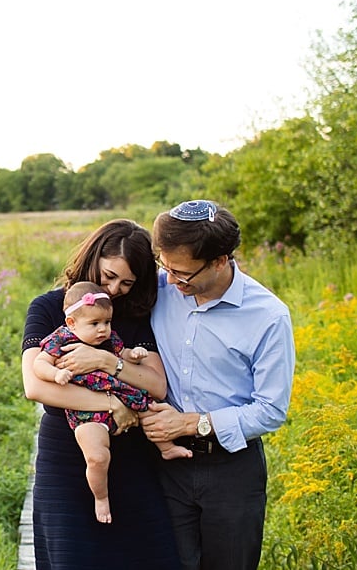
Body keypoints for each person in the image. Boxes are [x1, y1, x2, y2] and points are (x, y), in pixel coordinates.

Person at [139, 200, 296, 570]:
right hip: (165, 463)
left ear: (220, 261)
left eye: (184, 274)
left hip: (232, 471)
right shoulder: (161, 288)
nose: (172, 281)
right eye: (166, 267)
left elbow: (271, 409)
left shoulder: (269, 316)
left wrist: (192, 423)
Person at [22, 219, 181, 570]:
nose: (115, 288)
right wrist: (113, 404)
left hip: (132, 461)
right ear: (93, 257)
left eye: (127, 282)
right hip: (68, 458)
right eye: (108, 276)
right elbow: (35, 385)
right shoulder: (49, 308)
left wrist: (107, 361)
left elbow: (156, 385)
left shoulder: (134, 315)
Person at [33, 281, 191, 523]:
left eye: (107, 323)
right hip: (86, 410)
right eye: (95, 324)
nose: (103, 330)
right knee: (97, 456)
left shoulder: (108, 339)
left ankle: (166, 448)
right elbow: (39, 364)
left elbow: (123, 353)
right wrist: (56, 374)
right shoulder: (60, 339)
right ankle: (101, 497)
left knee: (153, 411)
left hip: (123, 394)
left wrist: (134, 354)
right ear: (72, 323)